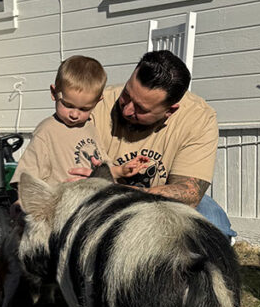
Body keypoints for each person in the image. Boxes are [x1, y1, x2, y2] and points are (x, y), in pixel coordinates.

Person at [75, 50, 236, 240]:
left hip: (161, 201)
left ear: (170, 110)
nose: (127, 110)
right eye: (126, 94)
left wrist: (126, 193)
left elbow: (190, 192)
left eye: (141, 109)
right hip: (96, 197)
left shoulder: (199, 118)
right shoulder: (95, 103)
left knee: (214, 223)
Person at [11, 55, 150, 190]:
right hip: (61, 205)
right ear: (54, 93)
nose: (74, 114)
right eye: (68, 105)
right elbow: (26, 176)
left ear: (98, 101)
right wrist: (20, 203)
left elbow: (100, 166)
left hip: (88, 204)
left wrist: (120, 171)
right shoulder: (47, 131)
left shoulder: (90, 128)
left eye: (84, 109)